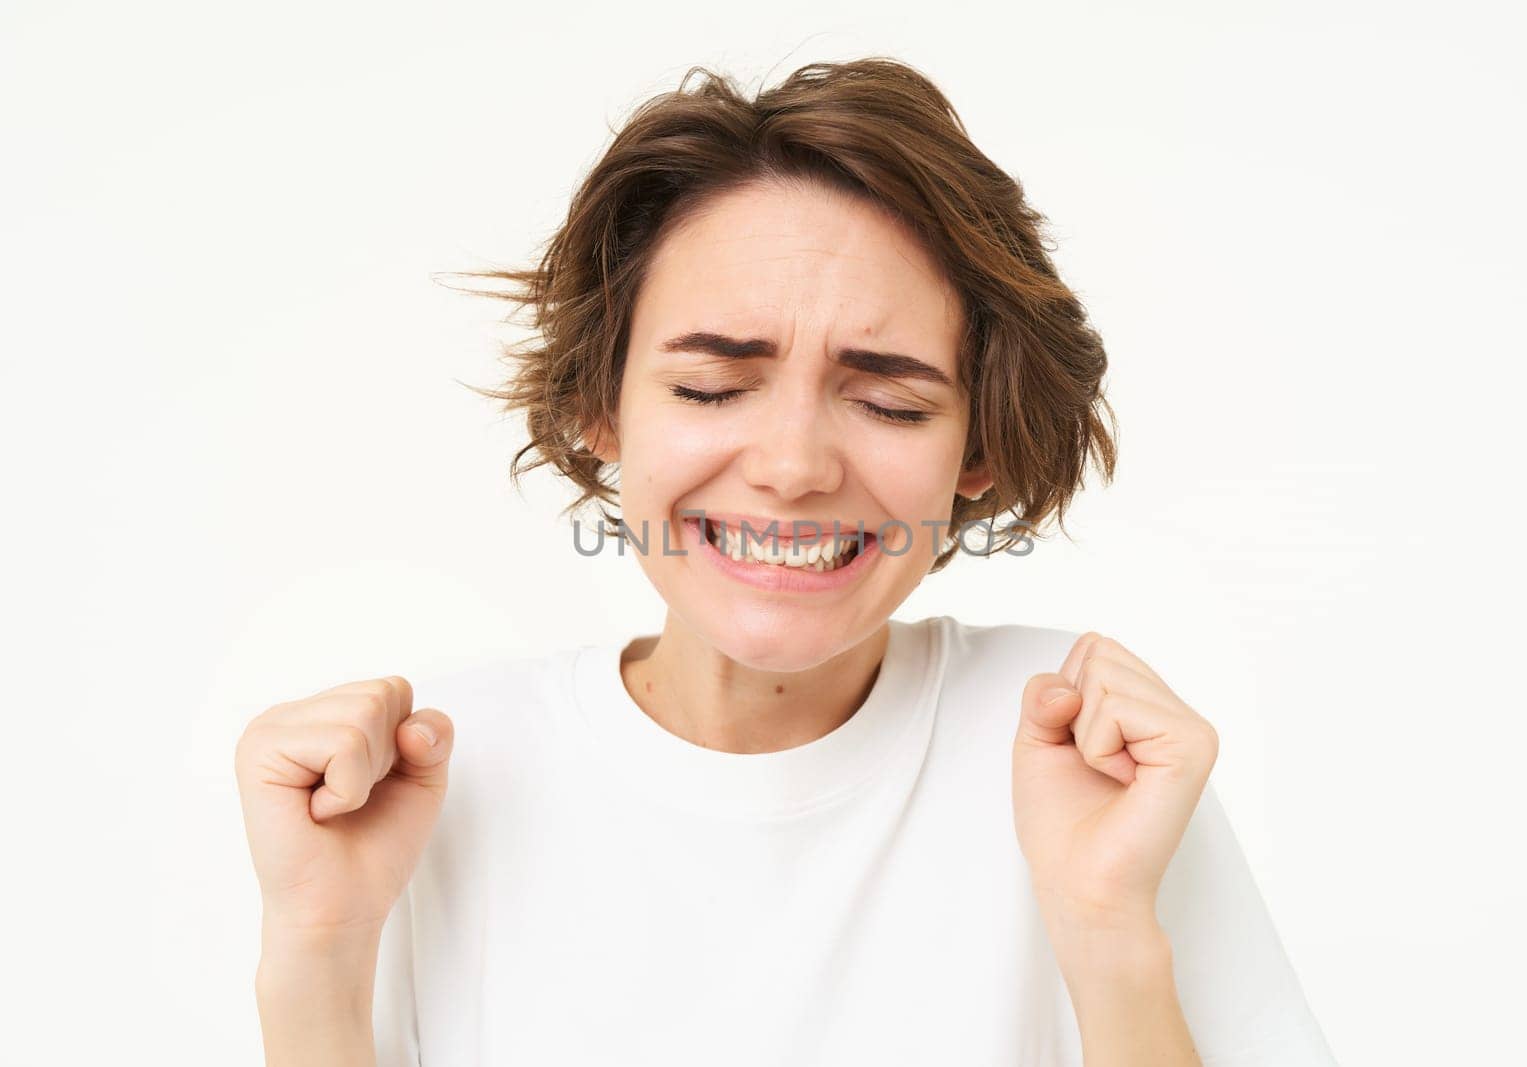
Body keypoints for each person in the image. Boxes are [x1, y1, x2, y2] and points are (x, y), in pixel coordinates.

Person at [234, 57, 1337, 1066]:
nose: (794, 465)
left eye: (891, 400)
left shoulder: (1078, 746)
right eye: (712, 386)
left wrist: (1111, 941)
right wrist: (317, 964)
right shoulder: (425, 776)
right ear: (598, 408)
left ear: (977, 450)